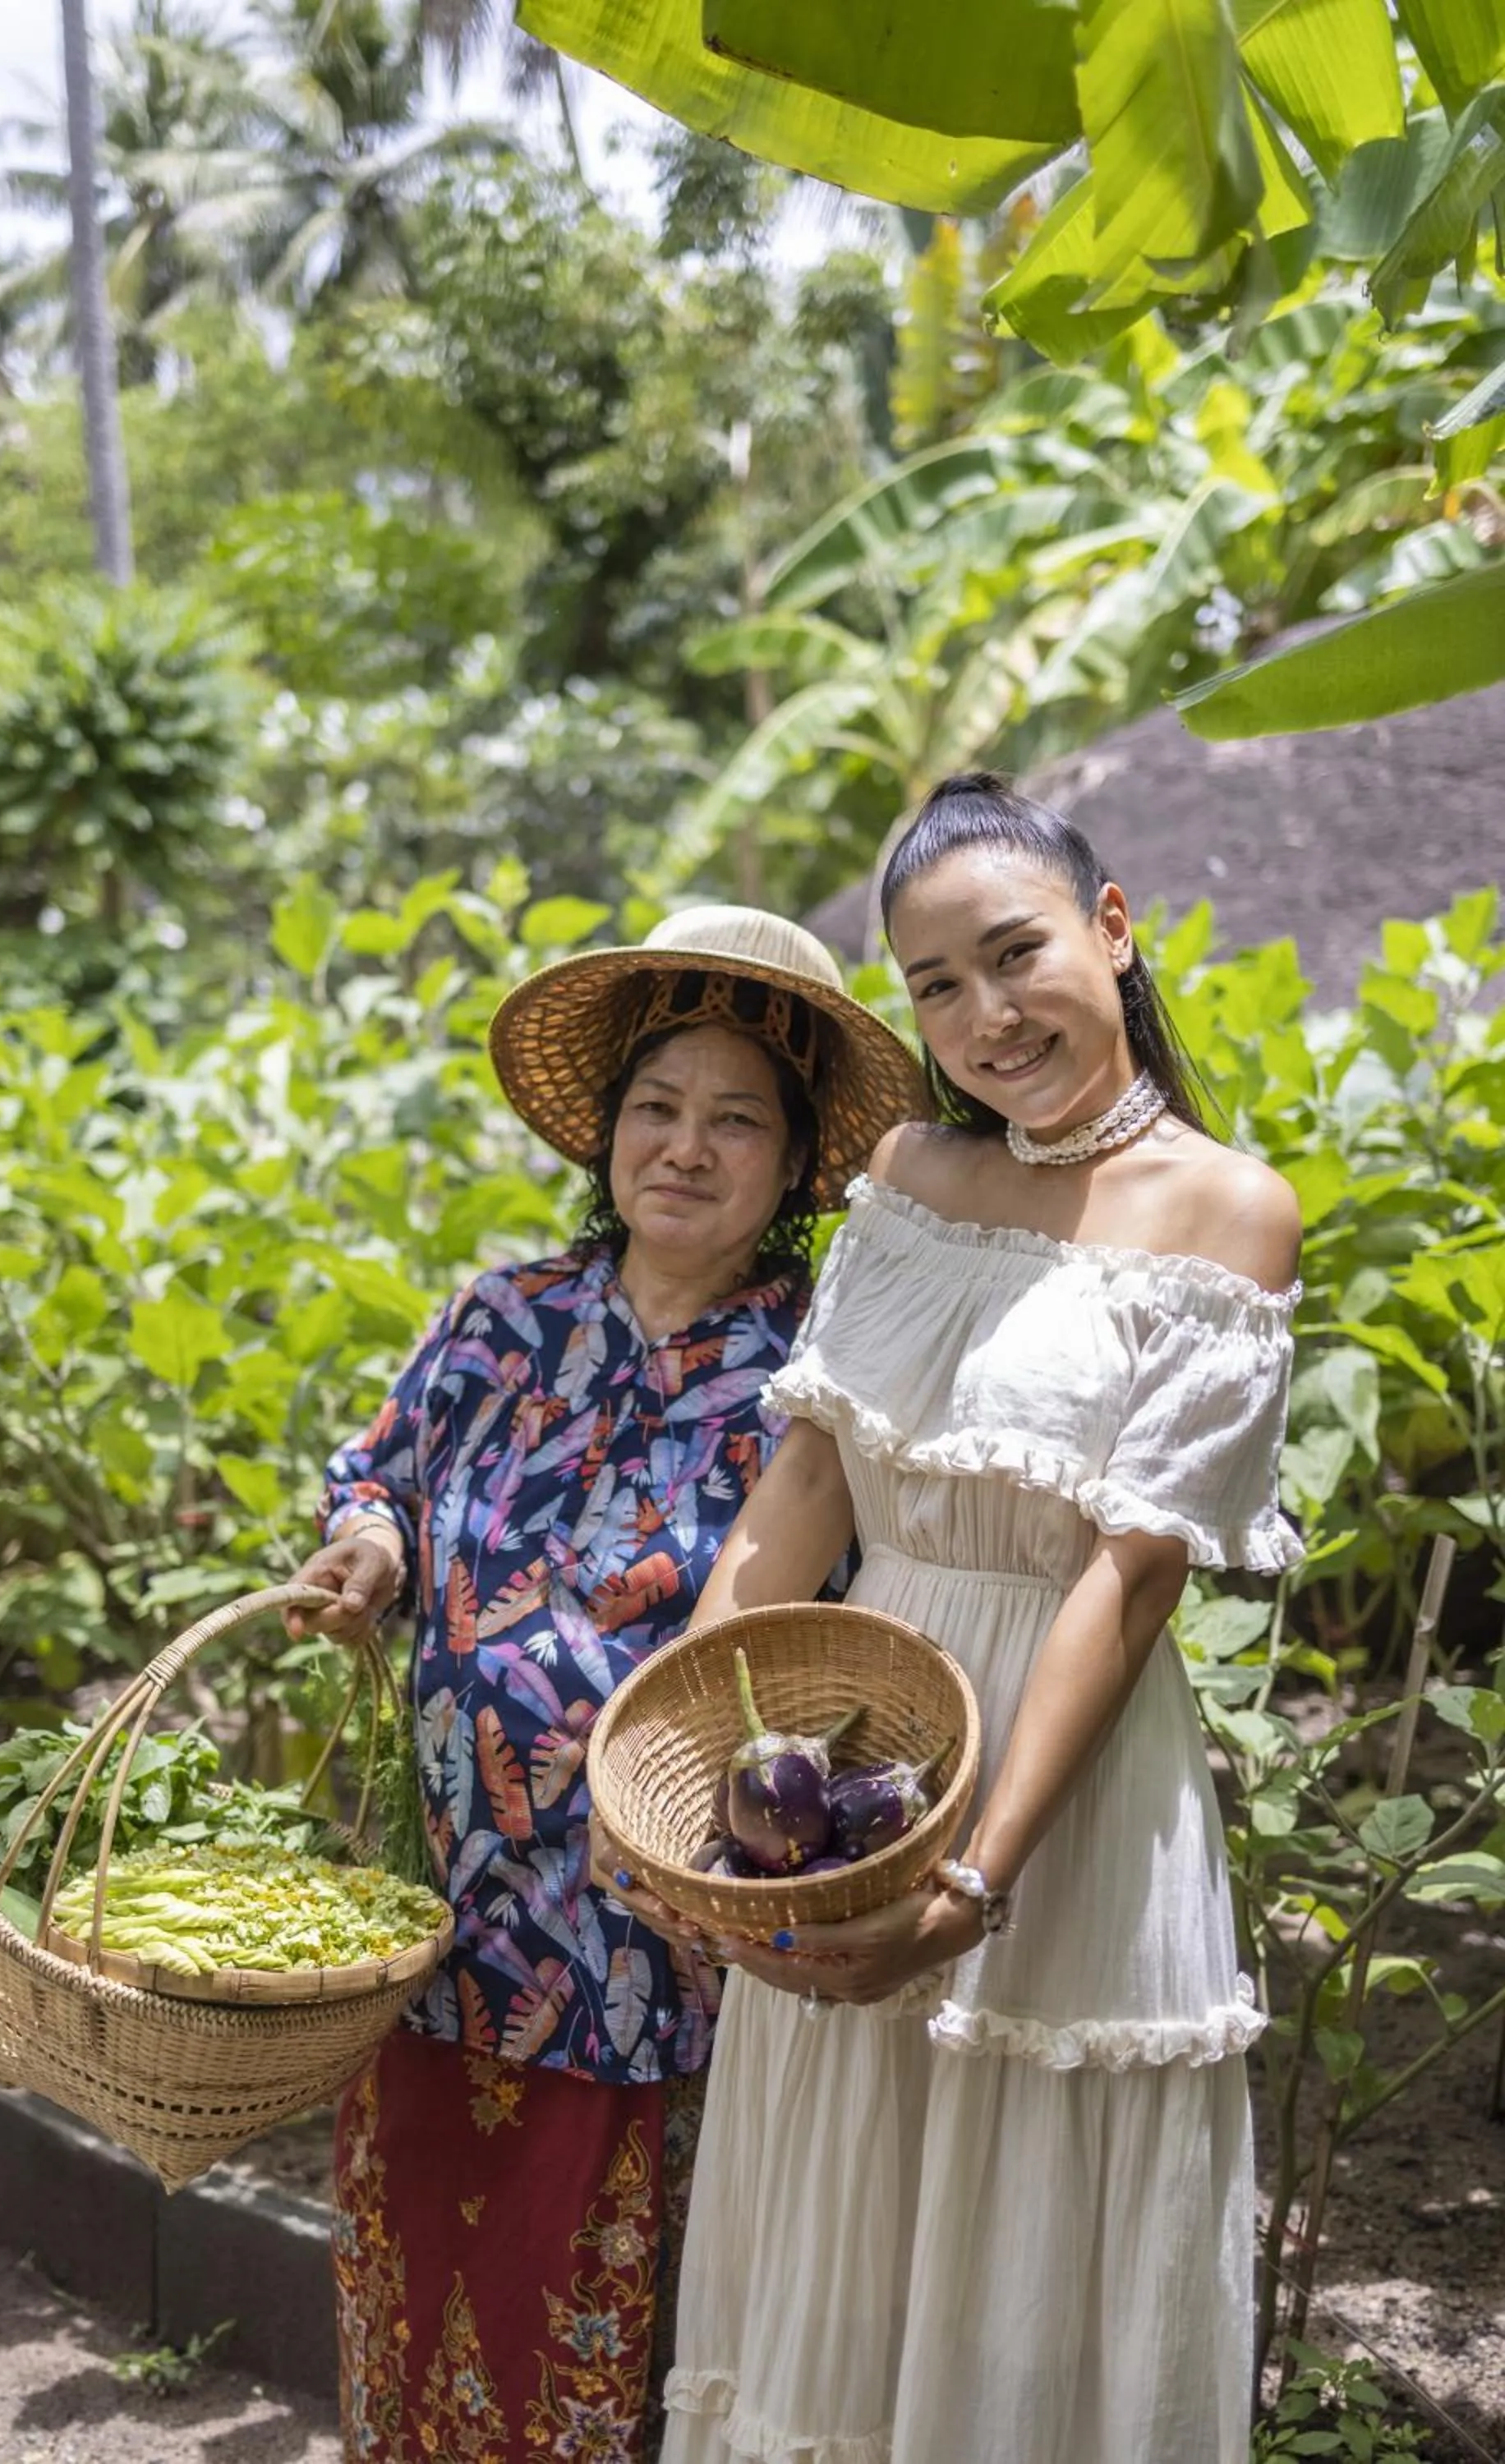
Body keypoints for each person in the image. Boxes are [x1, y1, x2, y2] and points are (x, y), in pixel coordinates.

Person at [639, 776, 1304, 2464]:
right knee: (835, 2229)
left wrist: (972, 1882)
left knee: (1023, 2266)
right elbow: (808, 1482)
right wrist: (684, 1736)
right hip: (853, 1753)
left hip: (1058, 1805)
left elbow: (1128, 1573)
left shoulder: (1229, 1212)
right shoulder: (910, 1174)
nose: (982, 1017)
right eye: (934, 985)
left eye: (1012, 957)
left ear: (1112, 926)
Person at [283, 903, 926, 2464]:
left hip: (650, 1949)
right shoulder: (501, 1319)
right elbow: (376, 1478)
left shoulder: (817, 1373)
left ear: (795, 1166)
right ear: (606, 1135)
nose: (685, 1149)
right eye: (655, 1108)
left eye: (734, 1121)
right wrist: (367, 1548)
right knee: (420, 2283)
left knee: (609, 2323)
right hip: (441, 1918)